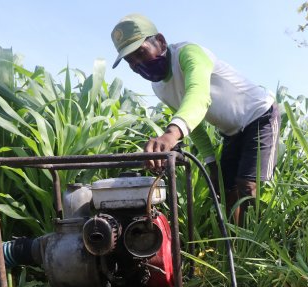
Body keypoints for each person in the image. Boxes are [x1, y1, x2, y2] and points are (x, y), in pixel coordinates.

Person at [110, 13, 280, 223]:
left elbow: (199, 96)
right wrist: (210, 162)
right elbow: (195, 126)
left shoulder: (188, 53)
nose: (137, 64)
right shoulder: (159, 87)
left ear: (160, 41)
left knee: (247, 186)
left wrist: (171, 134)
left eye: (141, 53)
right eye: (130, 60)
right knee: (225, 188)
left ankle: (255, 246)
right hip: (232, 132)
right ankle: (234, 245)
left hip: (259, 115)